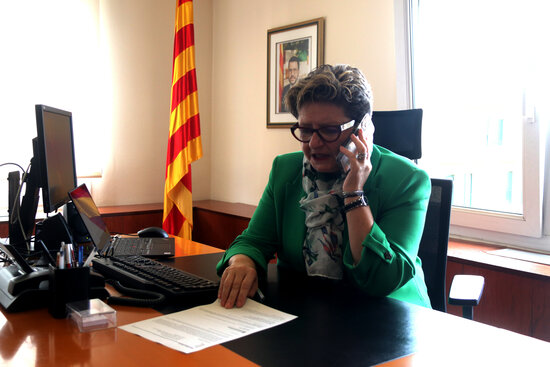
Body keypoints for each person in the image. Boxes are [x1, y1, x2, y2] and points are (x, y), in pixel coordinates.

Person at [217, 64, 431, 309]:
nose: (314, 143)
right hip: (310, 310)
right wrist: (242, 262)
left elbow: (381, 280)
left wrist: (354, 193)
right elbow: (253, 241)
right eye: (306, 130)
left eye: (329, 130)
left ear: (361, 131)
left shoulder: (407, 180)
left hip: (391, 316)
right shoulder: (285, 170)